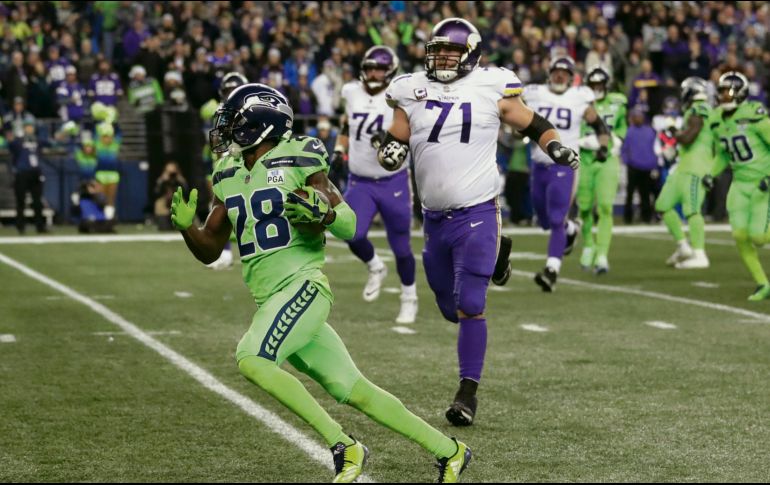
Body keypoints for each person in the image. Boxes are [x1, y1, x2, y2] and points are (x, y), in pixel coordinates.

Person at [172, 83, 471, 483]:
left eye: (234, 122)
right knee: (354, 389)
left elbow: (350, 225)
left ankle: (344, 445)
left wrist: (324, 213)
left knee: (253, 358)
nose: (225, 131)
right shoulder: (227, 172)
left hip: (304, 286)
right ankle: (450, 451)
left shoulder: (298, 156)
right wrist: (186, 228)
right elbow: (210, 247)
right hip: (271, 298)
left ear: (260, 123)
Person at [381, 18, 579, 426]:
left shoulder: (492, 85)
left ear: (471, 53)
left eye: (451, 52)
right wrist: (391, 151)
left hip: (477, 212)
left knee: (472, 304)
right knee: (449, 308)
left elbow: (533, 123)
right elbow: (398, 134)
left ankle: (467, 394)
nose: (442, 58)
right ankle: (499, 262)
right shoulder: (411, 89)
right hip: (433, 219)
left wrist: (555, 145)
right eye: (438, 51)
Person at [337, 46, 418, 324]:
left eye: (379, 69)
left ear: (390, 72)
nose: (373, 73)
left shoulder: (400, 95)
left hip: (392, 180)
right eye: (369, 68)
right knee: (351, 232)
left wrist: (389, 141)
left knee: (402, 247)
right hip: (360, 180)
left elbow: (410, 133)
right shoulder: (351, 91)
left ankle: (409, 297)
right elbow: (348, 126)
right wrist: (339, 149)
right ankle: (375, 266)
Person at [523, 56, 610, 290]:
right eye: (556, 71)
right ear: (549, 73)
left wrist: (603, 146)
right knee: (543, 221)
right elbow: (517, 118)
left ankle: (552, 270)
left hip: (564, 165)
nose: (560, 75)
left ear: (572, 78)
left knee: (555, 218)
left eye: (565, 72)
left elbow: (599, 125)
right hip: (539, 166)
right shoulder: (532, 93)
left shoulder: (580, 97)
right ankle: (571, 229)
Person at [709, 72, 770, 301]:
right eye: (722, 91)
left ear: (741, 92)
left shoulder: (754, 114)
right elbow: (722, 156)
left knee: (759, 237)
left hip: (762, 183)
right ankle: (763, 283)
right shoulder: (716, 120)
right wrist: (710, 174)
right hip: (739, 185)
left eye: (728, 91)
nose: (724, 95)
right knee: (739, 235)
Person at [655, 77, 714, 269]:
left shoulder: (699, 108)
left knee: (692, 209)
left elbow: (690, 136)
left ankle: (700, 254)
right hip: (683, 166)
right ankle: (683, 246)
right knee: (663, 205)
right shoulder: (694, 110)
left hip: (697, 167)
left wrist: (674, 132)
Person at [577, 66, 627, 274]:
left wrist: (618, 140)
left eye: (600, 85)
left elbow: (622, 127)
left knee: (606, 207)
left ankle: (602, 255)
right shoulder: (579, 103)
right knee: (585, 207)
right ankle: (589, 243)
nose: (597, 88)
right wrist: (583, 141)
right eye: (593, 85)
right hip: (585, 158)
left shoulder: (618, 102)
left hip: (607, 159)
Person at [6, 118, 47, 234]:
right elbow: (11, 145)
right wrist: (9, 136)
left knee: (37, 201)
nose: (29, 128)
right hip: (22, 173)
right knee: (20, 201)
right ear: (23, 128)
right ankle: (20, 226)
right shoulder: (18, 141)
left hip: (35, 173)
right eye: (27, 126)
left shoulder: (37, 141)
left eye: (31, 126)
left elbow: (50, 142)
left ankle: (40, 226)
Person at [622, 108, 658, 224]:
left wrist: (654, 164)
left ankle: (646, 217)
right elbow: (625, 149)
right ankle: (628, 218)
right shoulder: (630, 131)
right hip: (633, 167)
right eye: (635, 116)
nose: (638, 118)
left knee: (645, 194)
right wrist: (627, 161)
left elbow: (655, 148)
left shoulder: (650, 131)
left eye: (640, 116)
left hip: (647, 167)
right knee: (630, 194)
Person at [94, 122, 121, 221]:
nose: (107, 139)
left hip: (113, 174)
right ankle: (99, 218)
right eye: (105, 137)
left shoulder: (115, 145)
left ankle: (109, 219)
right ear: (101, 137)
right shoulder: (98, 145)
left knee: (111, 198)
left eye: (109, 137)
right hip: (101, 174)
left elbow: (119, 133)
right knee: (100, 198)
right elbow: (95, 131)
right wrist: (100, 120)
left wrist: (113, 121)